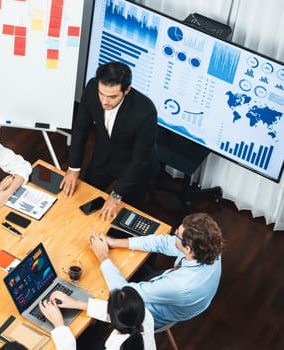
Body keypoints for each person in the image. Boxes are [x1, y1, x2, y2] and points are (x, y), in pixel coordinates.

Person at [89, 213, 225, 329]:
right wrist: (114, 242)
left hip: (149, 316)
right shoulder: (210, 248)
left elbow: (125, 294)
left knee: (96, 288)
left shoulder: (179, 285)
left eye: (177, 234)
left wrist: (103, 256)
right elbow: (163, 243)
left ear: (188, 249)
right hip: (176, 296)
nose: (174, 234)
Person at [61, 61, 158, 220]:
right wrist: (73, 168)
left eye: (112, 96)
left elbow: (140, 160)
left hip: (133, 165)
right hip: (103, 157)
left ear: (126, 90)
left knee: (126, 216)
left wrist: (116, 194)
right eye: (102, 94)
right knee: (85, 202)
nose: (104, 101)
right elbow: (81, 128)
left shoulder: (145, 112)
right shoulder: (93, 87)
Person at [39, 286, 155, 350]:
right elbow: (120, 312)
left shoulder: (116, 347)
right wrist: (77, 303)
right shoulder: (145, 315)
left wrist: (59, 325)